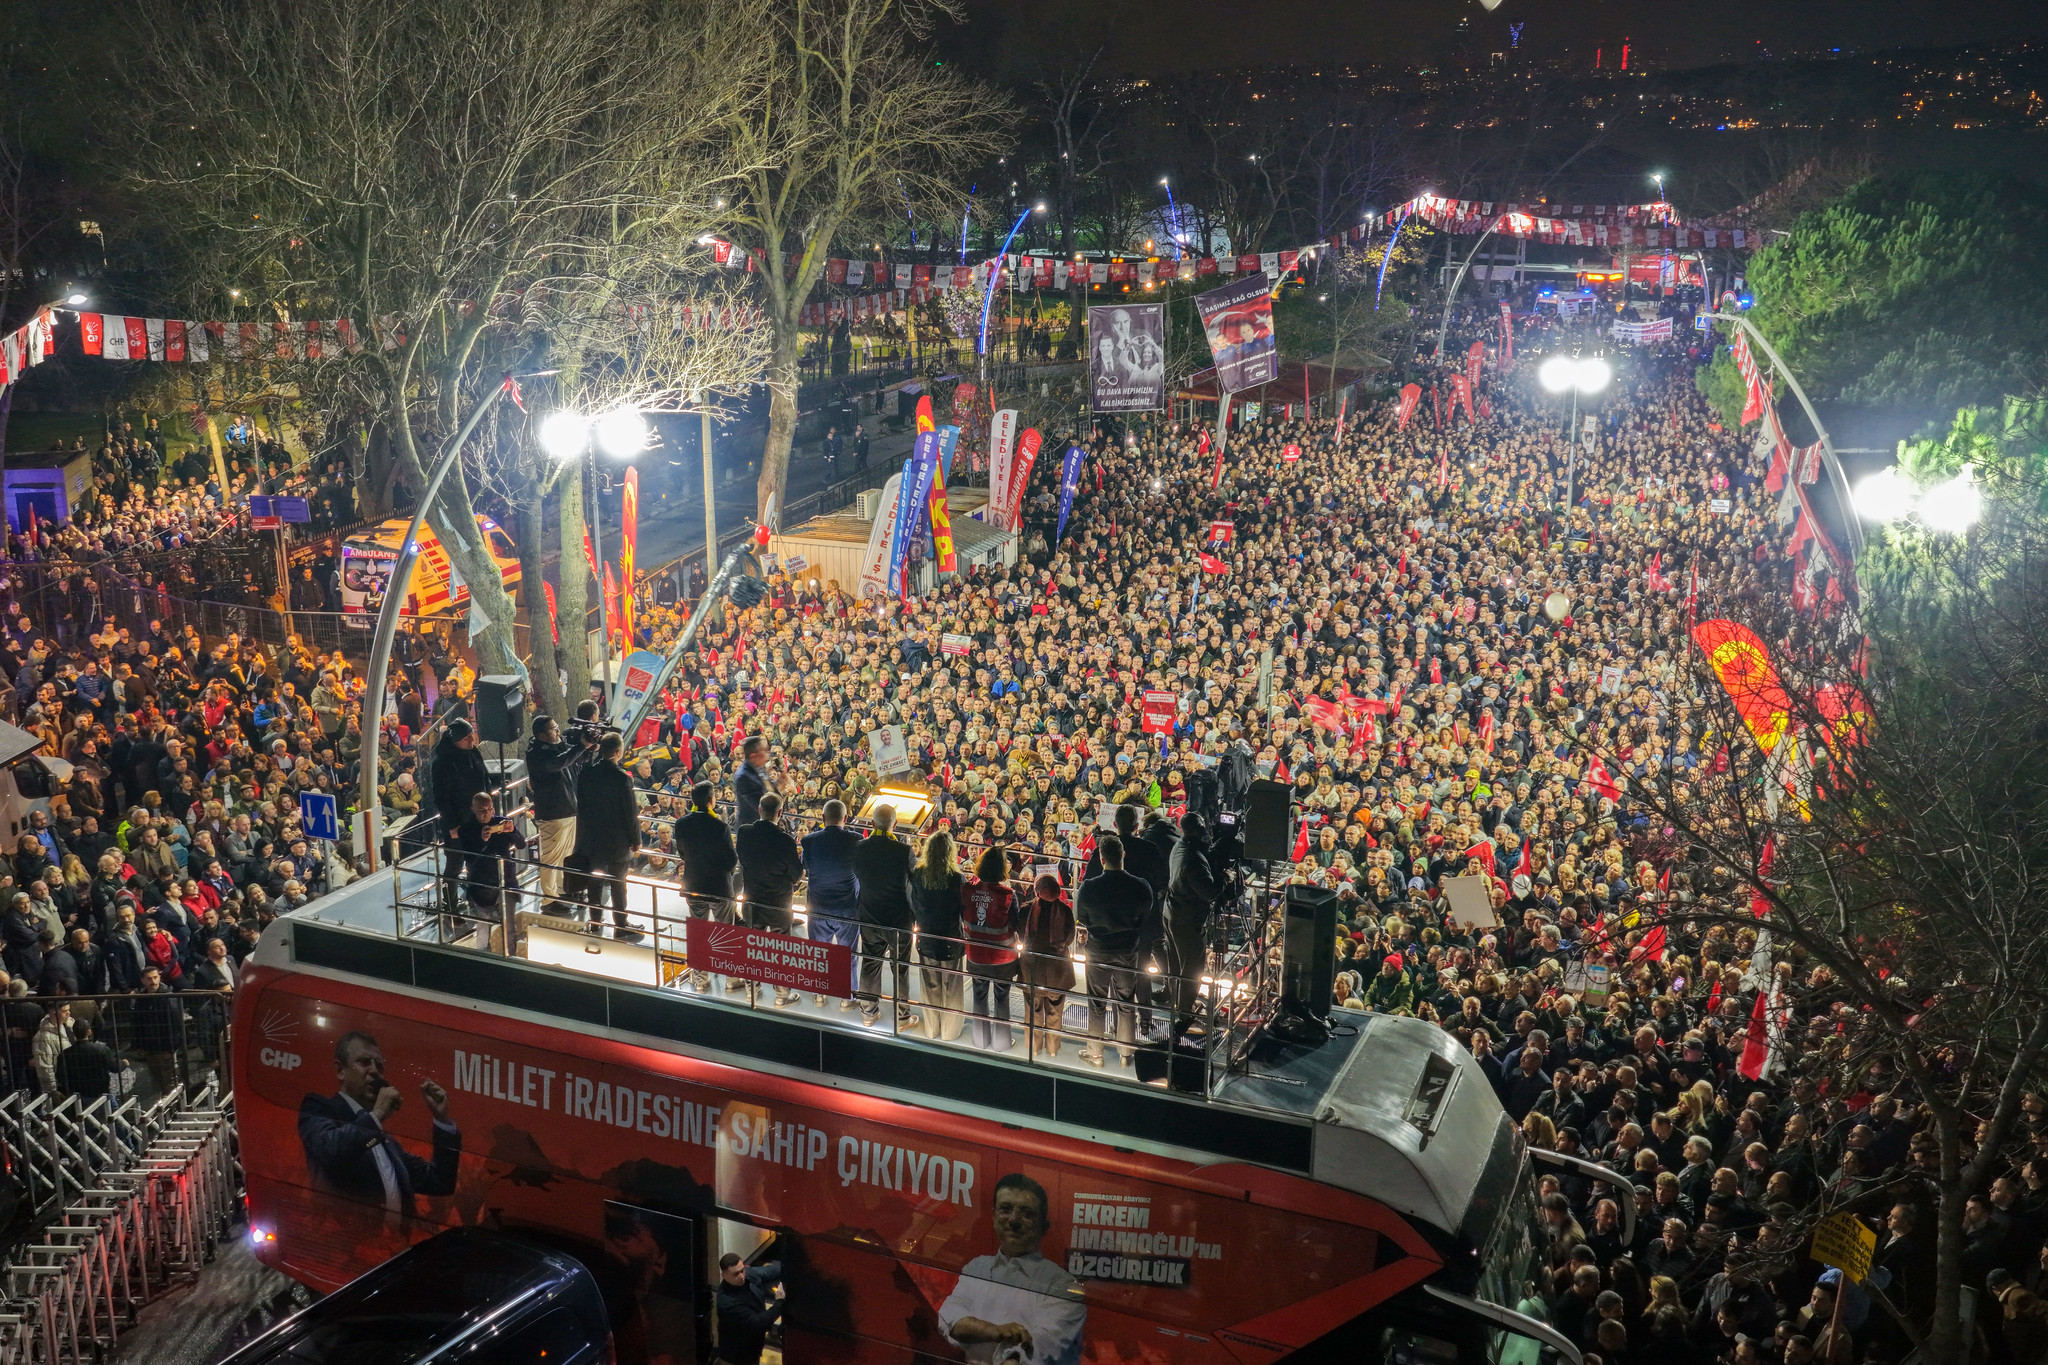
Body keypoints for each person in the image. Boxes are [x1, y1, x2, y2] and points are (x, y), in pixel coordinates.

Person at [296, 1030, 460, 1215]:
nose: (375, 1071)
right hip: (345, 1238)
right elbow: (331, 1148)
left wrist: (442, 1120)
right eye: (364, 1062)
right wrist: (378, 1114)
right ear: (340, 1070)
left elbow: (439, 1182)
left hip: (396, 1242)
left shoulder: (389, 1145)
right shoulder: (319, 1107)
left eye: (380, 1066)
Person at [937, 1172, 1086, 1365]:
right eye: (1005, 1209)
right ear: (993, 1216)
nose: (1014, 1220)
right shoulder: (978, 1267)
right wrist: (995, 1331)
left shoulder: (1064, 1286)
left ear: (1044, 1226)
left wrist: (989, 1336)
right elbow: (950, 1317)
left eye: (1027, 1213)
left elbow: (1042, 1345)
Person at [1075, 833, 1149, 1069]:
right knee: (1126, 1001)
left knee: (1096, 1001)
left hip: (1097, 948)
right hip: (1127, 948)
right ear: (1123, 855)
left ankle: (1095, 1053)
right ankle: (1126, 1055)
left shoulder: (1089, 887)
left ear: (1101, 858)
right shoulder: (1140, 886)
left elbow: (1082, 918)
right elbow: (1145, 916)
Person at [851, 804, 917, 1029]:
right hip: (899, 919)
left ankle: (868, 1013)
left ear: (872, 824)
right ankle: (902, 1017)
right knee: (901, 968)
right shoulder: (904, 851)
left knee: (870, 962)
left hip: (869, 914)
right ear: (895, 825)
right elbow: (914, 882)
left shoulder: (859, 847)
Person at [572, 734, 642, 939]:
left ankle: (595, 921)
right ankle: (621, 925)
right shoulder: (622, 778)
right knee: (618, 883)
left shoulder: (587, 773)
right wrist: (636, 840)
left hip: (592, 839)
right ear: (618, 752)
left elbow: (581, 806)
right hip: (617, 841)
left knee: (594, 881)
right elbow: (630, 813)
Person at [673, 782, 739, 990]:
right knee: (725, 932)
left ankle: (701, 981)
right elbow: (731, 859)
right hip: (719, 887)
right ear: (712, 801)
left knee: (698, 933)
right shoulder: (720, 826)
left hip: (693, 884)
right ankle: (731, 980)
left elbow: (682, 853)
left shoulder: (681, 824)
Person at [799, 801, 862, 1004]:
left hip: (818, 905)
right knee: (849, 955)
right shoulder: (856, 839)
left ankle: (819, 993)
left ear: (823, 818)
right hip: (847, 908)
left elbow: (806, 868)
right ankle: (848, 996)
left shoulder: (808, 841)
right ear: (845, 819)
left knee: (818, 953)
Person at [526, 714, 591, 906]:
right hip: (552, 812)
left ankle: (563, 890)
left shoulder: (557, 746)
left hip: (569, 808)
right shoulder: (536, 753)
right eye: (553, 729)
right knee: (551, 857)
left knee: (566, 855)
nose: (558, 732)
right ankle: (548, 898)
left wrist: (587, 750)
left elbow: (573, 760)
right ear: (541, 735)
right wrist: (581, 747)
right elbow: (558, 763)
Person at [960, 844, 1019, 1052]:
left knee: (979, 995)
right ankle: (1002, 1043)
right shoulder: (1008, 894)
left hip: (975, 955)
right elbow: (1016, 922)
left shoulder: (967, 889)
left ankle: (980, 1040)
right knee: (1002, 997)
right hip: (1003, 957)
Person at [734, 792, 802, 967]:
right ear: (780, 813)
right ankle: (781, 993)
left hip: (752, 900)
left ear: (759, 810)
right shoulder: (786, 840)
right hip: (779, 905)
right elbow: (796, 874)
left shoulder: (744, 832)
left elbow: (742, 860)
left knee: (752, 949)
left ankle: (752, 989)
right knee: (782, 951)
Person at [1165, 813, 1219, 1029]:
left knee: (1177, 966)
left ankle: (1179, 1004)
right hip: (1187, 920)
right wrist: (1225, 878)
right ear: (1199, 829)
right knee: (1191, 969)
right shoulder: (1194, 858)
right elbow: (1209, 892)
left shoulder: (1179, 845)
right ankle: (1185, 1013)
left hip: (1171, 913)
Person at [912, 829, 966, 1041]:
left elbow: (914, 904)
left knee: (930, 985)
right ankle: (950, 1032)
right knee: (951, 986)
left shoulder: (918, 875)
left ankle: (931, 1029)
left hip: (926, 937)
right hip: (951, 938)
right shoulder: (957, 879)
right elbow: (963, 910)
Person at [1019, 873, 1076, 1059]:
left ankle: (1033, 1047)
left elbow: (1020, 934)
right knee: (1055, 1009)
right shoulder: (1066, 911)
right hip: (1057, 971)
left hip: (1031, 969)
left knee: (1032, 1010)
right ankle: (1052, 1049)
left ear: (1036, 890)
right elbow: (1069, 939)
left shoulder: (1026, 910)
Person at [714, 1252, 784, 1365]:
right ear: (724, 1275)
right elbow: (759, 1323)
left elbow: (770, 1271)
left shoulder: (748, 1276)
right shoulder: (727, 1303)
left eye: (742, 1270)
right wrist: (780, 1302)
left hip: (752, 1349)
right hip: (735, 1357)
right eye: (735, 1274)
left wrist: (790, 1266)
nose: (741, 1276)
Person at [428, 719, 492, 838]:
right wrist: (453, 824)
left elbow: (485, 777)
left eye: (471, 735)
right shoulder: (442, 763)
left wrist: (489, 805)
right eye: (466, 738)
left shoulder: (473, 752)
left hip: (480, 816)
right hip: (460, 822)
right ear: (455, 741)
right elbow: (441, 797)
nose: (471, 740)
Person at [734, 736, 773, 827]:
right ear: (753, 755)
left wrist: (779, 784)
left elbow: (769, 789)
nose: (768, 752)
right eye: (764, 750)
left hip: (764, 824)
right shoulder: (743, 777)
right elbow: (760, 804)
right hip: (751, 828)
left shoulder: (760, 768)